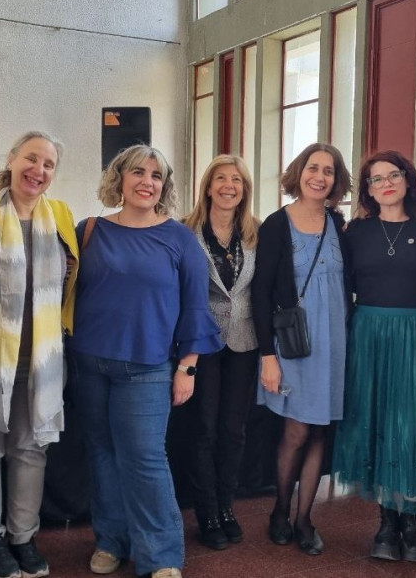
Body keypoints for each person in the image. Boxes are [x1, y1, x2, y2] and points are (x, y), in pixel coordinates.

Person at [69, 145, 222, 578]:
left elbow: (196, 307)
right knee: (102, 454)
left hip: (149, 367)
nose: (147, 182)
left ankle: (162, 556)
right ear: (119, 178)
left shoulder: (179, 238)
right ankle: (110, 540)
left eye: (156, 176)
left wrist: (187, 366)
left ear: (164, 187)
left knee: (144, 459)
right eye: (138, 172)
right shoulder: (90, 230)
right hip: (89, 363)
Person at [0, 132, 79, 578]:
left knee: (31, 449)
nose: (38, 170)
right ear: (11, 159)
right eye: (31, 158)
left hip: (44, 358)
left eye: (48, 164)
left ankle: (23, 537)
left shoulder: (61, 215)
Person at [331, 150, 416, 562]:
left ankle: (410, 520)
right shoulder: (353, 233)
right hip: (368, 333)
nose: (386, 183)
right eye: (376, 179)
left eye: (394, 175)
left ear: (408, 181)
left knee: (408, 423)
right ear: (368, 190)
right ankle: (385, 522)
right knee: (373, 418)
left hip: (415, 333)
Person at [252, 143, 351, 556]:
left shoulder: (338, 224)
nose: (320, 177)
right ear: (300, 172)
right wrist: (267, 357)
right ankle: (280, 510)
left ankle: (305, 518)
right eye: (313, 168)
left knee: (320, 431)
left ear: (335, 180)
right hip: (294, 347)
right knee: (296, 430)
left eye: (328, 171)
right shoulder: (278, 223)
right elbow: (260, 294)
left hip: (334, 343)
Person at [180, 155, 262, 550]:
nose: (229, 186)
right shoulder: (185, 231)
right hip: (202, 343)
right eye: (221, 179)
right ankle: (207, 511)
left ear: (245, 189)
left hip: (244, 343)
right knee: (204, 432)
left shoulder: (256, 233)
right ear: (208, 187)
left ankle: (227, 506)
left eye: (237, 180)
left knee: (234, 430)